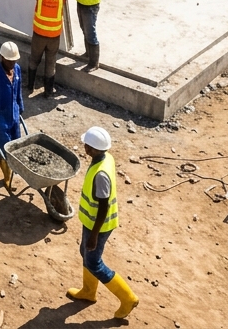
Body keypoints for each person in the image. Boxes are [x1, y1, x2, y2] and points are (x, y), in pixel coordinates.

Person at [66, 126, 139, 319]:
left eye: (87, 145)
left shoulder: (101, 174)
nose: (85, 148)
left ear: (94, 148)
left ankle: (128, 298)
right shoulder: (106, 158)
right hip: (91, 223)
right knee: (85, 253)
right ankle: (88, 292)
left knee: (94, 263)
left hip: (98, 225)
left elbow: (104, 206)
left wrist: (94, 235)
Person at [27, 0, 74, 97]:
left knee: (34, 60)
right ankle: (48, 91)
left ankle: (30, 87)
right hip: (54, 38)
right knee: (50, 63)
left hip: (39, 35)